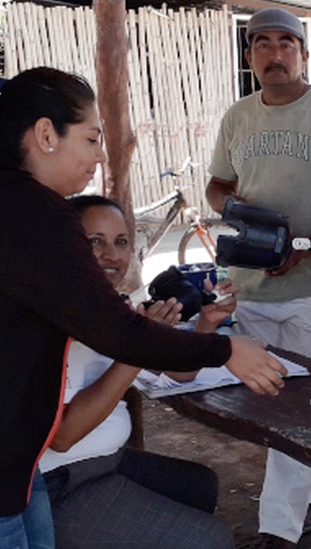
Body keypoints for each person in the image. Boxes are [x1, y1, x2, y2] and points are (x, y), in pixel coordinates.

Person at [0, 67, 285, 548]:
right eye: (91, 139)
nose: (100, 156)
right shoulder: (34, 211)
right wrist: (223, 349)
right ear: (46, 134)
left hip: (17, 470)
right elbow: (116, 332)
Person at [205, 7, 311, 548]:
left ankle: (278, 530)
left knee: (298, 401)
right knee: (280, 399)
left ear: (303, 52)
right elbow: (217, 186)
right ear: (249, 54)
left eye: (286, 44)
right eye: (262, 45)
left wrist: (309, 243)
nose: (275, 55)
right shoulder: (237, 116)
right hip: (250, 284)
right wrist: (239, 212)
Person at [41, 195, 239, 548]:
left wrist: (206, 323)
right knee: (212, 541)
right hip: (64, 481)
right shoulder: (54, 320)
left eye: (120, 242)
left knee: (199, 485)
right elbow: (62, 435)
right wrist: (136, 347)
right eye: (94, 242)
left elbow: (182, 374)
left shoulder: (110, 310)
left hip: (107, 461)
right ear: (67, 246)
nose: (111, 255)